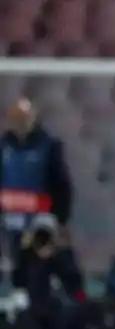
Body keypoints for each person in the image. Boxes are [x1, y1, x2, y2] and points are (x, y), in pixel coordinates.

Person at [0, 98, 72, 277]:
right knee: (12, 265)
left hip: (39, 220)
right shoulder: (4, 146)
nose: (20, 122)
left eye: (24, 117)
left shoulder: (48, 145)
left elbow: (62, 185)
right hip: (9, 219)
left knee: (37, 268)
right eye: (16, 118)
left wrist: (59, 218)